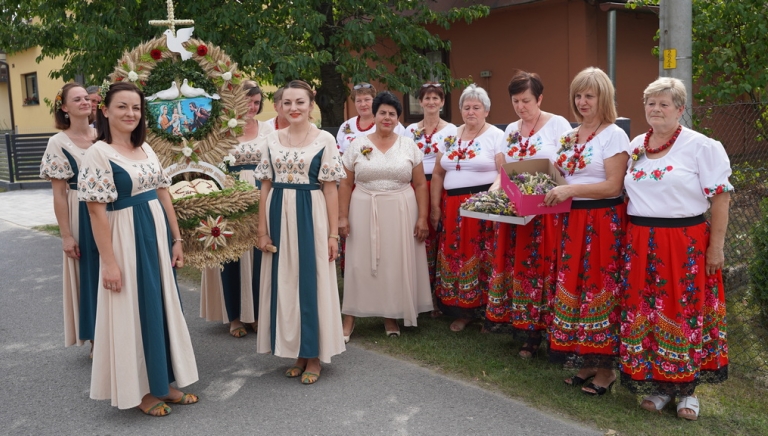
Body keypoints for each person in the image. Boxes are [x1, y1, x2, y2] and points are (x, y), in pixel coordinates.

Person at [79, 82, 198, 416]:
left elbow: (163, 193)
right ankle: (142, 392)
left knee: (159, 306)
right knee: (132, 310)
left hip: (156, 239)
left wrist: (177, 239)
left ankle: (164, 384)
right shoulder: (98, 153)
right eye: (122, 107)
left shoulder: (146, 149)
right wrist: (110, 263)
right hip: (125, 240)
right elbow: (95, 211)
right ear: (104, 110)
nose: (130, 113)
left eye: (136, 108)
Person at [619, 77, 730, 420]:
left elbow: (721, 197)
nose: (655, 109)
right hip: (641, 241)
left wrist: (716, 247)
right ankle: (657, 385)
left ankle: (686, 392)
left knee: (684, 312)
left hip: (684, 242)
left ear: (680, 109)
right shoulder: (638, 143)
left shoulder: (702, 147)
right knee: (649, 312)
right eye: (650, 103)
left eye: (664, 104)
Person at [543, 67, 630, 396]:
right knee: (576, 287)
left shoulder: (614, 134)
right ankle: (588, 361)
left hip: (601, 221)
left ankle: (606, 370)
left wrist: (570, 191)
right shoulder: (569, 135)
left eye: (589, 95)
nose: (582, 101)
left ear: (603, 97)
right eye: (578, 95)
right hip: (571, 221)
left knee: (599, 287)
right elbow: (559, 176)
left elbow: (612, 185)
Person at [254, 80, 346, 385]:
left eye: (300, 102)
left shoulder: (325, 140)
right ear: (280, 106)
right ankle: (296, 351)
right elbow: (264, 186)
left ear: (311, 105)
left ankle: (314, 355)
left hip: (312, 213)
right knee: (286, 283)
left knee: (312, 282)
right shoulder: (271, 139)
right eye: (288, 102)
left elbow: (331, 189)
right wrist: (262, 230)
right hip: (278, 212)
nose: (294, 108)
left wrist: (333, 234)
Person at [485, 71, 572, 358]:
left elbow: (566, 168)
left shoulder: (558, 124)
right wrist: (492, 194)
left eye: (526, 101)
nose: (521, 107)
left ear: (540, 98)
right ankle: (526, 330)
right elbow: (503, 171)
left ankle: (548, 329)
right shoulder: (510, 129)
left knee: (544, 268)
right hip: (516, 211)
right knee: (520, 268)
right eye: (515, 101)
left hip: (546, 209)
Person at [339, 91, 432, 340]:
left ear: (397, 118)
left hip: (401, 208)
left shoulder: (408, 145)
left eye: (392, 114)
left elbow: (421, 184)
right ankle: (350, 317)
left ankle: (390, 315)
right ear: (374, 114)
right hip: (363, 207)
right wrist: (343, 217)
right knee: (359, 263)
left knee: (392, 263)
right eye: (383, 112)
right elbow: (345, 184)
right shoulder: (357, 145)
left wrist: (422, 217)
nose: (387, 117)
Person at [200, 80, 274, 337]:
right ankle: (234, 316)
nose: (252, 107)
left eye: (256, 102)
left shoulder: (269, 130)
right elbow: (208, 167)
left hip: (262, 194)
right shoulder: (220, 131)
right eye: (247, 102)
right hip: (229, 195)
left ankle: (255, 313)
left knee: (258, 254)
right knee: (232, 255)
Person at [431, 84, 505, 332]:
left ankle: (488, 313)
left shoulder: (495, 135)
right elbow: (439, 173)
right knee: (457, 254)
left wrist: (489, 199)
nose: (471, 112)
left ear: (486, 111)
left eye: (476, 107)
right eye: (466, 107)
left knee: (484, 255)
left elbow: (504, 173)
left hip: (482, 204)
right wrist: (435, 207)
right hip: (452, 205)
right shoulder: (449, 135)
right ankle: (462, 310)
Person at [39, 82, 99, 354]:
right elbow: (60, 194)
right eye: (77, 99)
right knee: (90, 272)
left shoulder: (103, 135)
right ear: (64, 107)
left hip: (111, 209)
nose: (85, 102)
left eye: (87, 98)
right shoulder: (58, 143)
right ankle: (97, 337)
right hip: (80, 210)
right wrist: (66, 235)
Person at [403, 83, 457, 291]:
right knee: (417, 231)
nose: (431, 102)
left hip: (437, 184)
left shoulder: (451, 130)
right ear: (420, 102)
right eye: (427, 98)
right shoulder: (410, 130)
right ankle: (416, 289)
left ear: (442, 102)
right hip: (414, 185)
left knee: (436, 231)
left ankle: (436, 290)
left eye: (436, 98)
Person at [336, 82, 405, 154]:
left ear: (374, 101)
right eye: (358, 101)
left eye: (367, 100)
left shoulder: (390, 123)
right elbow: (339, 153)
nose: (363, 104)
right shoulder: (346, 126)